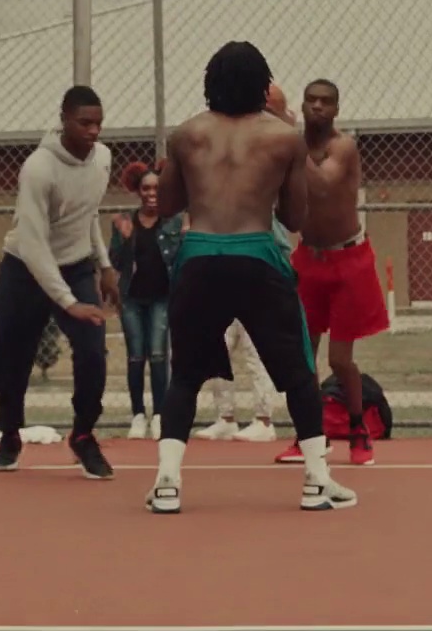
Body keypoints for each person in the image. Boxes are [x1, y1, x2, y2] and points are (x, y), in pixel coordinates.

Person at [146, 42, 356, 514]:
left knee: (185, 374)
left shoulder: (186, 134)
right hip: (257, 255)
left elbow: (169, 204)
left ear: (210, 83)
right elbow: (295, 216)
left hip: (199, 255)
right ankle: (317, 480)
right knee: (298, 372)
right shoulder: (283, 138)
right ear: (263, 86)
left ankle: (167, 482)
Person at [0, 85, 123, 478]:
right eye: (84, 123)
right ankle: (9, 435)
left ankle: (82, 435)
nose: (93, 131)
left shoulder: (102, 159)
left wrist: (104, 265)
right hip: (24, 268)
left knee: (93, 351)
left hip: (75, 266)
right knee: (11, 359)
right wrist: (67, 302)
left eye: (98, 123)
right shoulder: (39, 169)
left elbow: (87, 214)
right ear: (64, 120)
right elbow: (33, 244)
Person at [274, 78, 387, 467]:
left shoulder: (344, 147)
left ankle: (358, 427)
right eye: (311, 100)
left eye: (325, 101)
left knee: (339, 360)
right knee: (304, 357)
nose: (318, 106)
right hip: (309, 259)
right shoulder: (291, 148)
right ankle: (309, 436)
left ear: (336, 109)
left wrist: (291, 139)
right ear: (303, 105)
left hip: (348, 259)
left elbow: (323, 183)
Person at [195, 82, 291, 442]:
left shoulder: (281, 148)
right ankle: (226, 416)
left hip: (262, 258)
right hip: (224, 255)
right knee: (217, 341)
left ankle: (264, 420)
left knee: (255, 345)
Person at [109, 160, 182, 439]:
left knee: (159, 354)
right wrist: (125, 239)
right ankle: (138, 415)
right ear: (137, 191)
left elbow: (179, 260)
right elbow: (116, 262)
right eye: (146, 188)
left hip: (162, 298)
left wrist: (185, 235)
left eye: (157, 188)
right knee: (136, 356)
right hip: (132, 299)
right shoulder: (125, 222)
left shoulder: (174, 221)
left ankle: (160, 414)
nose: (152, 193)